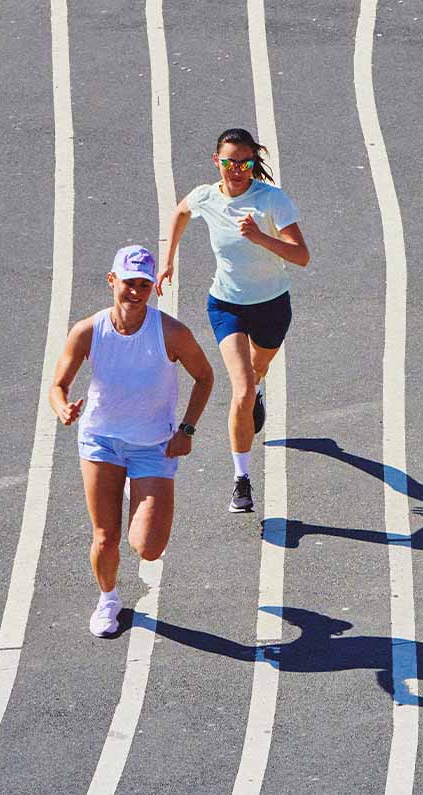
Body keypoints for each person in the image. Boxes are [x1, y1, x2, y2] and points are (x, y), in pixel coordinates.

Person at [50, 246, 214, 636]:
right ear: (112, 282)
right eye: (128, 283)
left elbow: (205, 377)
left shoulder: (171, 333)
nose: (136, 292)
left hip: (152, 446)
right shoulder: (89, 331)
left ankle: (136, 488)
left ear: (153, 287)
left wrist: (187, 430)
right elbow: (58, 384)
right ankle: (108, 599)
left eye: (144, 285)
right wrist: (62, 408)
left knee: (148, 547)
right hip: (101, 443)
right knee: (105, 537)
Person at [157, 127, 309, 513]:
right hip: (226, 305)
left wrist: (260, 238)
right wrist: (168, 258)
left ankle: (258, 388)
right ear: (217, 162)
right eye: (229, 162)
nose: (236, 170)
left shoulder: (272, 201)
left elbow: (301, 255)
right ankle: (242, 479)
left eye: (244, 162)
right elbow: (180, 211)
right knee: (239, 389)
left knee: (258, 370)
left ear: (252, 163)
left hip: (272, 305)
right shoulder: (207, 196)